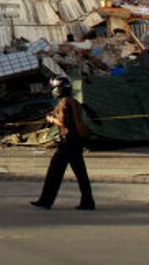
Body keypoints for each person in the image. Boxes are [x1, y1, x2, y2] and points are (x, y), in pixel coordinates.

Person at [31, 76, 95, 210]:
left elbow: (63, 122)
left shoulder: (65, 102)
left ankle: (46, 200)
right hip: (77, 141)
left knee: (54, 171)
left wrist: (51, 119)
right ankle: (88, 201)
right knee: (80, 173)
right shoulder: (74, 101)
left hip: (68, 142)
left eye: (55, 88)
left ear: (59, 89)